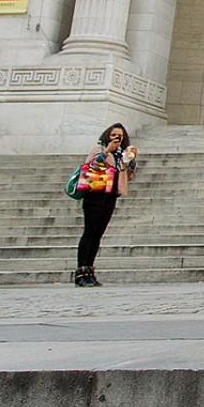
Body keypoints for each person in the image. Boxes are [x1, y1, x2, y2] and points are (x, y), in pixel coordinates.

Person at [75, 123, 135, 287]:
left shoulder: (121, 155)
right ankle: (80, 273)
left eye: (120, 136)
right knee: (89, 232)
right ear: (107, 135)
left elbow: (126, 175)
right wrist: (107, 150)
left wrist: (130, 161)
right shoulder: (99, 149)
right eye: (114, 134)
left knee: (97, 234)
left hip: (110, 195)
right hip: (94, 194)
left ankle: (90, 271)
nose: (117, 138)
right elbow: (91, 166)